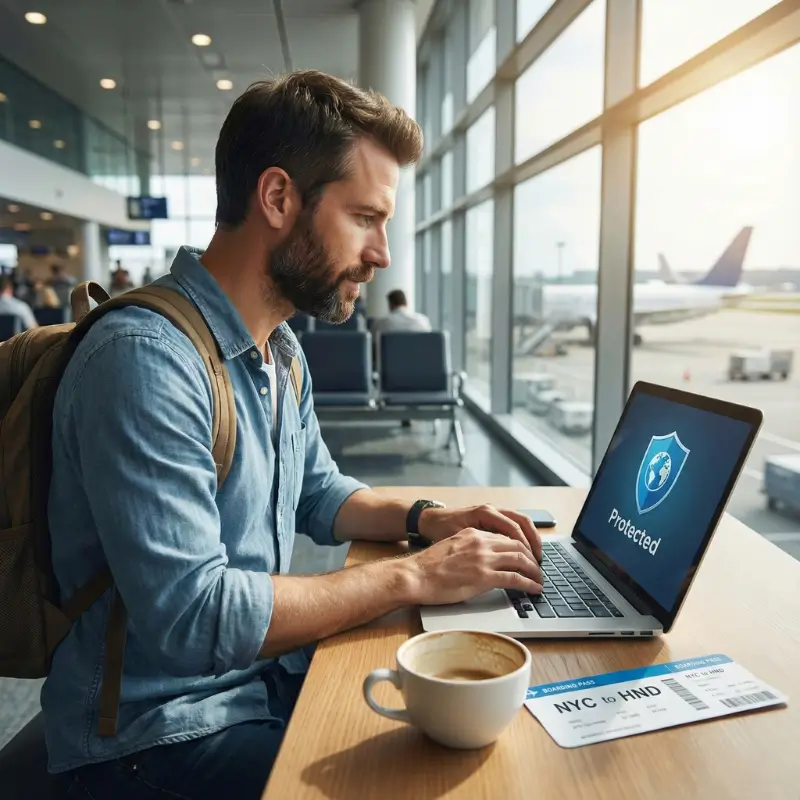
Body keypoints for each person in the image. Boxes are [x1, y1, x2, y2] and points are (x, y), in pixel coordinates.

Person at [44, 70, 542, 800]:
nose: (382, 253)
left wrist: (429, 519)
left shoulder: (278, 349)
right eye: (365, 217)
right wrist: (414, 575)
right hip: (155, 737)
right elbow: (194, 618)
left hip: (253, 682)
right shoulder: (146, 360)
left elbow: (318, 491)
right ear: (278, 198)